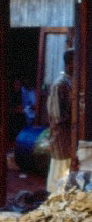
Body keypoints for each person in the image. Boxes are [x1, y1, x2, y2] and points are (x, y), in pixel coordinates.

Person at [46, 47, 74, 193]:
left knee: (66, 174)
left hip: (70, 137)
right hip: (61, 137)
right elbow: (56, 115)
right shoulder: (60, 84)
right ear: (69, 64)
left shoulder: (71, 82)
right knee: (58, 174)